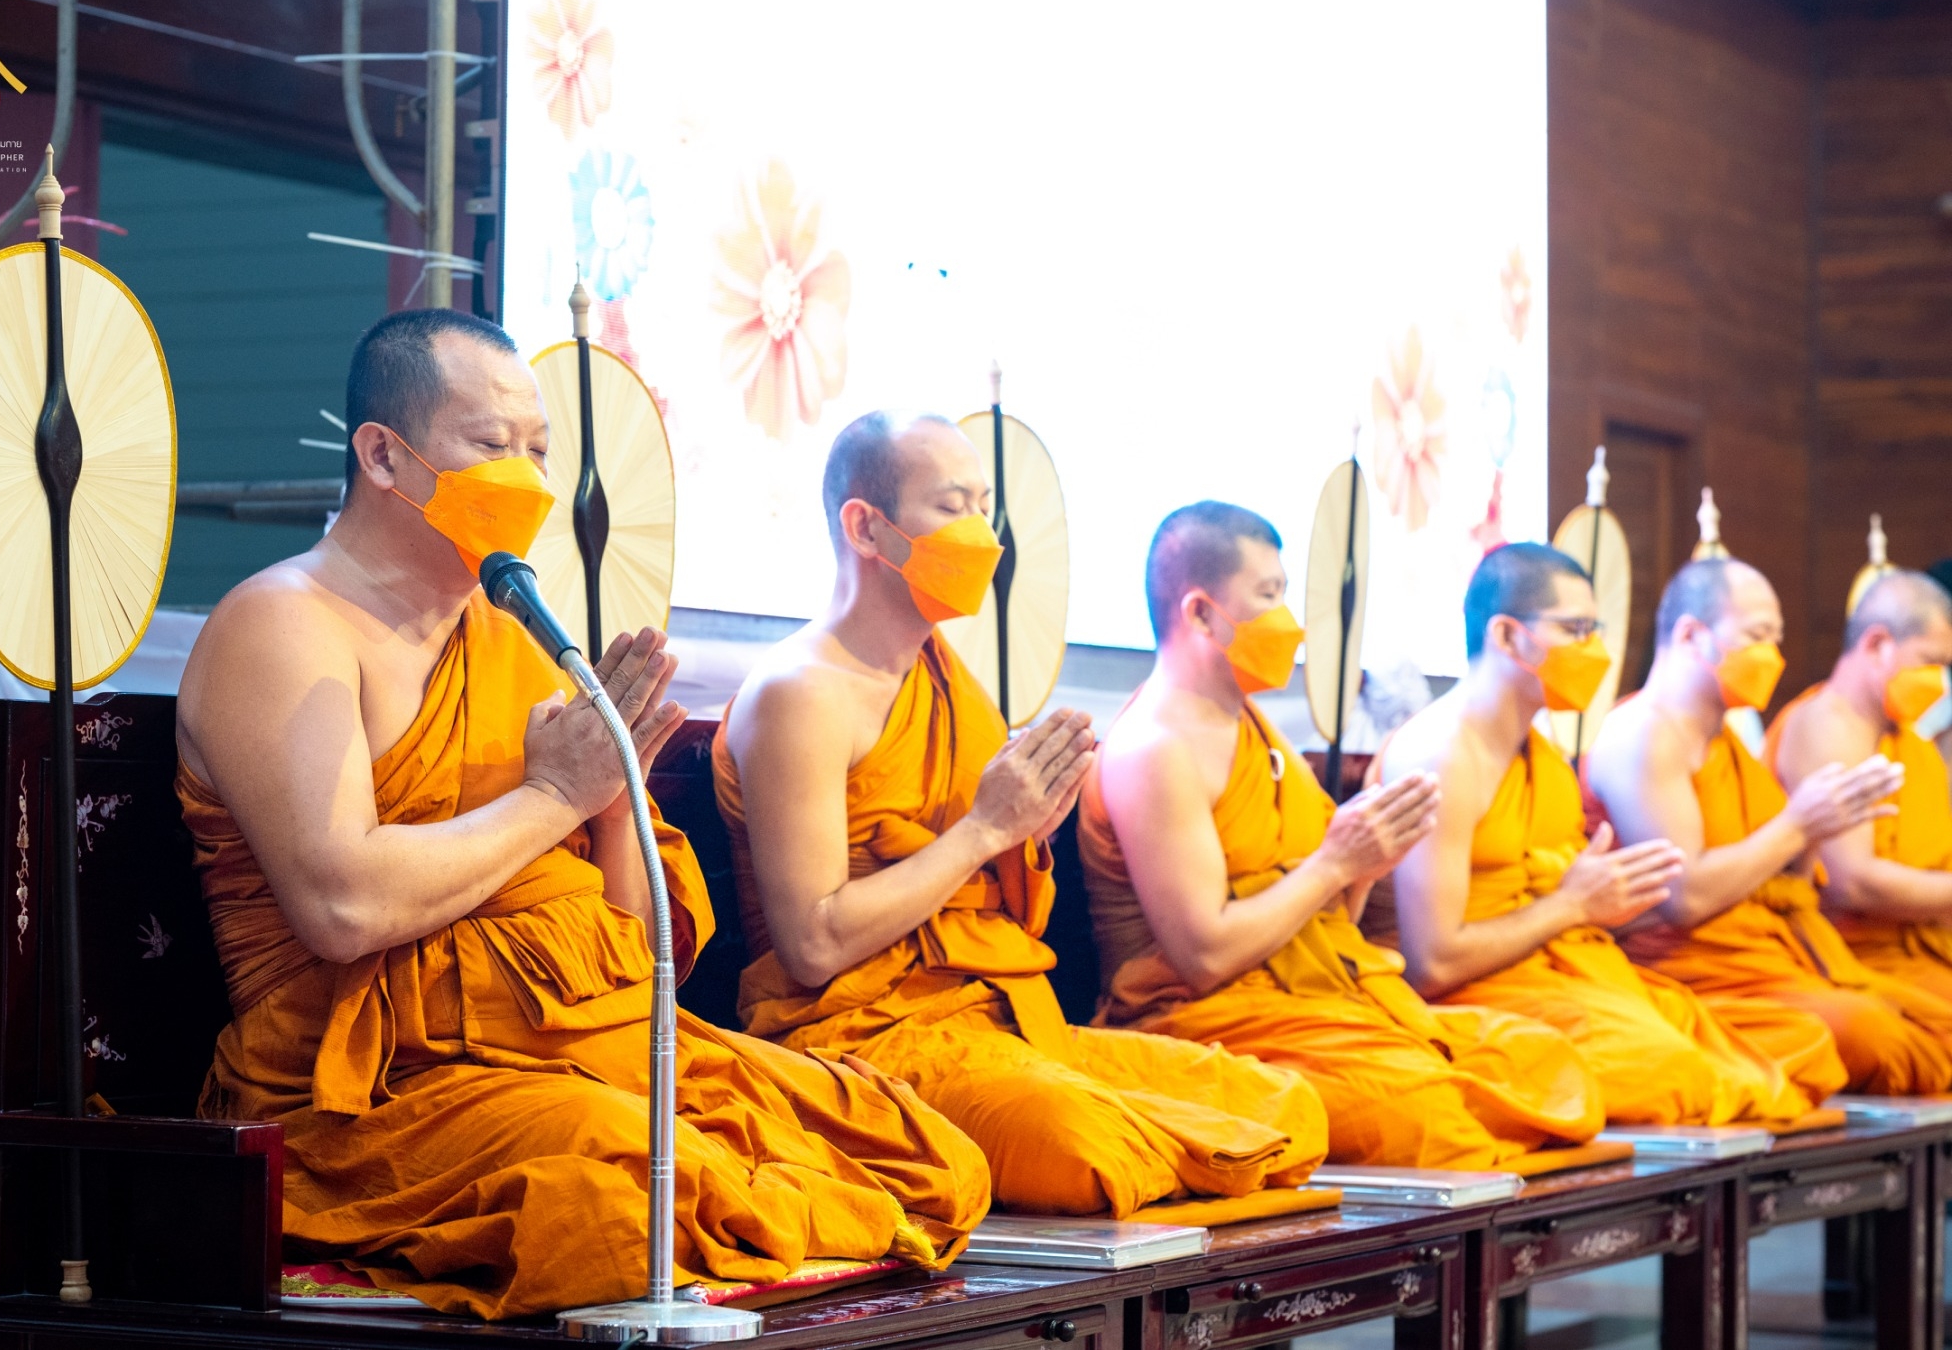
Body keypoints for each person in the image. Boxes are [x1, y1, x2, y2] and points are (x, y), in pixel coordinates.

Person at [176, 312, 989, 1319]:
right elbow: (342, 907)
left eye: (538, 450)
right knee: (626, 1204)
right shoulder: (285, 624)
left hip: (585, 1037)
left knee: (922, 1151)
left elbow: (636, 948)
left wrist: (609, 808)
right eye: (491, 444)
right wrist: (554, 796)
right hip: (381, 1086)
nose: (525, 476)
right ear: (383, 456)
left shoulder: (514, 639)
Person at [715, 413, 1328, 1221]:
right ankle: (1180, 1156)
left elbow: (989, 897)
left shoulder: (951, 683)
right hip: (863, 1040)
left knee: (1286, 1103)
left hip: (1005, 1018)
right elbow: (814, 943)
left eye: (984, 506)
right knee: (1079, 1140)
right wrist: (983, 834)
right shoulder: (801, 694)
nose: (984, 534)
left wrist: (1025, 837)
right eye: (952, 507)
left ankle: (1176, 1153)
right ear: (866, 528)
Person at [1078, 502, 1610, 1172]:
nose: (1289, 622)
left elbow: (1327, 929)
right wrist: (1334, 865)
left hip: (1318, 1005)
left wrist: (1362, 870)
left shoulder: (1258, 735)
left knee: (1546, 1061)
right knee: (1428, 1113)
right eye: (1269, 596)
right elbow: (1204, 957)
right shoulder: (1155, 749)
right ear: (1202, 614)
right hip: (1203, 1023)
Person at [1373, 543, 1843, 1126]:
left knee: (1789, 1048)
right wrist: (1571, 905)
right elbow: (1433, 963)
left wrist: (1607, 902)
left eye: (1595, 630)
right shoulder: (1440, 754)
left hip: (1562, 972)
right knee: (1678, 1072)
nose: (1595, 650)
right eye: (1575, 630)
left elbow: (1563, 901)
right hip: (1474, 994)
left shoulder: (1544, 757)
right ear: (1508, 636)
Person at [1587, 559, 1943, 1093]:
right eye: (1756, 637)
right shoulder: (1643, 735)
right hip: (1689, 970)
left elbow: (1784, 881)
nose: (1773, 657)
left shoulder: (1726, 744)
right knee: (1874, 1034)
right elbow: (1687, 898)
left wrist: (1816, 831)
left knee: (1899, 1023)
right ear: (1691, 635)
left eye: (1777, 639)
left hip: (1771, 957)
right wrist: (1800, 824)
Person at [1769, 570, 1952, 1006]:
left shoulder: (1905, 737)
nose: (1938, 682)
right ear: (1876, 644)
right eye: (1930, 662)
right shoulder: (1828, 726)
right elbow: (1853, 884)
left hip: (1924, 939)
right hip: (1858, 952)